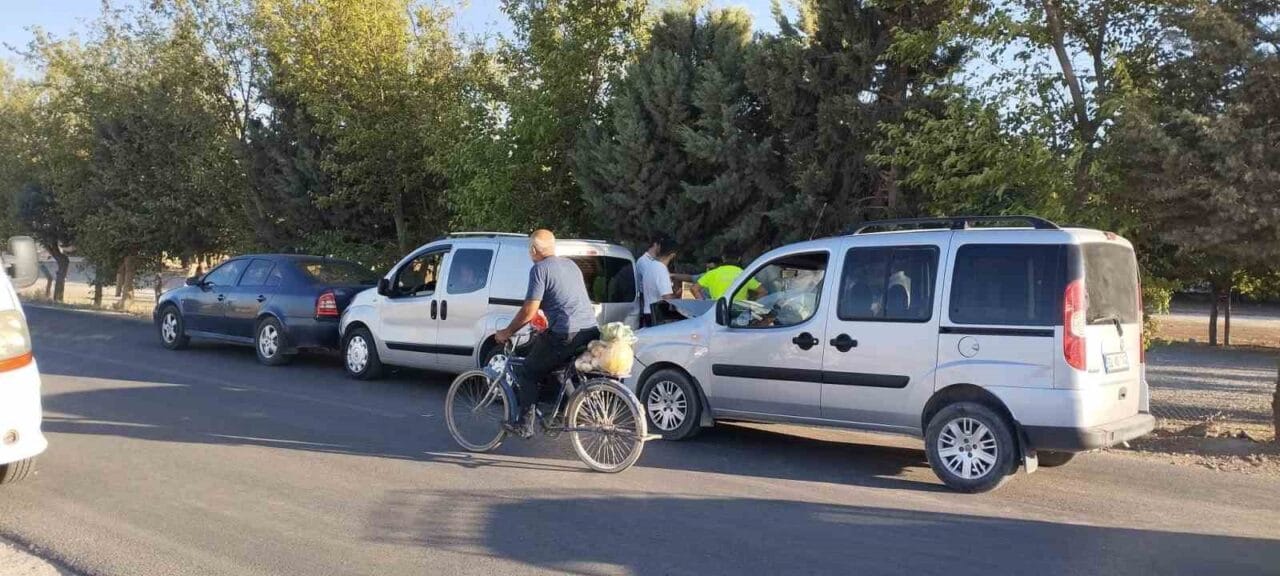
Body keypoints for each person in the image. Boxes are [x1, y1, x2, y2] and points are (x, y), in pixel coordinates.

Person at [494, 229, 600, 436]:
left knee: (528, 370)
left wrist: (507, 331)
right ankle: (565, 413)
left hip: (566, 334)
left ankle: (524, 425)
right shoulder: (571, 265)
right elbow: (565, 300)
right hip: (590, 330)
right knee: (558, 368)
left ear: (534, 250)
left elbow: (528, 310)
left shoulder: (539, 269)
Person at [636, 235, 678, 327]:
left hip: (649, 312)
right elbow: (667, 297)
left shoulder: (651, 266)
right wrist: (678, 298)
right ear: (672, 255)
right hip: (658, 315)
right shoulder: (661, 269)